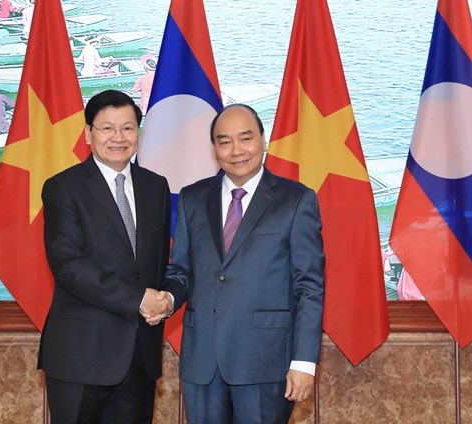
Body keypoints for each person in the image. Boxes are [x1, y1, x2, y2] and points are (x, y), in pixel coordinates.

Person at [157, 104, 325, 423]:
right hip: (202, 361)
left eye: (245, 138)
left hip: (266, 360)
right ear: (215, 149)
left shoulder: (296, 199)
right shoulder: (193, 198)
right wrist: (167, 300)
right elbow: (181, 271)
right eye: (224, 141)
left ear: (264, 140)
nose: (236, 150)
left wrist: (303, 362)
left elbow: (309, 287)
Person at [38, 90, 185, 424]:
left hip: (139, 356)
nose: (118, 138)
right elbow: (67, 265)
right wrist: (138, 299)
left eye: (128, 128)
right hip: (81, 356)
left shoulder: (156, 187)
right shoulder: (63, 188)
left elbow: (159, 261)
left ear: (139, 133)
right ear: (88, 134)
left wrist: (167, 297)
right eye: (107, 128)